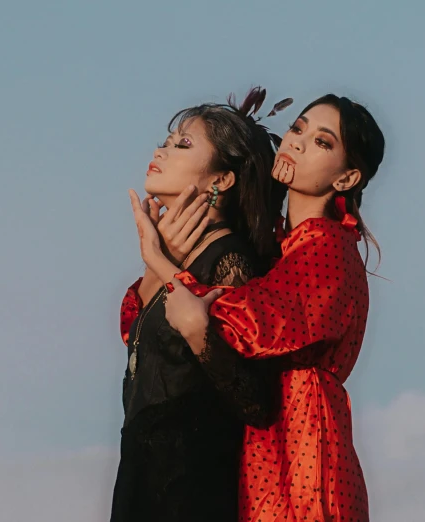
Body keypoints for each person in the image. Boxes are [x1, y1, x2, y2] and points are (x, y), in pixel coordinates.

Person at [130, 93, 385, 521]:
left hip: (305, 452)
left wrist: (160, 259)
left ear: (346, 178)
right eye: (298, 129)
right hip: (268, 450)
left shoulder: (328, 248)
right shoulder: (282, 248)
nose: (297, 143)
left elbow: (246, 320)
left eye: (322, 143)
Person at [112, 89, 291, 521]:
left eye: (184, 144)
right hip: (142, 474)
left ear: (221, 180)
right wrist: (158, 261)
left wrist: (200, 331)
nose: (163, 149)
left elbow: (254, 400)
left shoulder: (229, 261)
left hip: (187, 482)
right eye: (168, 140)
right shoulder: (179, 260)